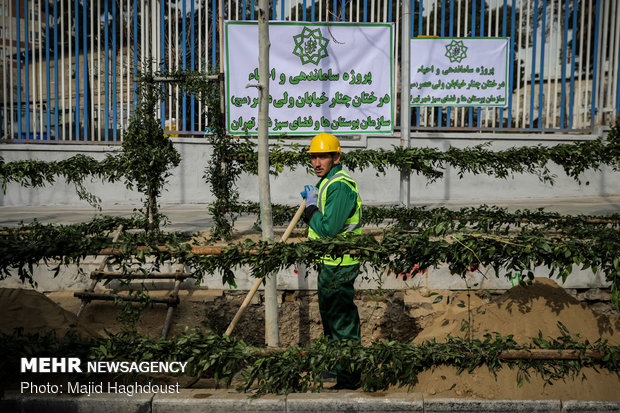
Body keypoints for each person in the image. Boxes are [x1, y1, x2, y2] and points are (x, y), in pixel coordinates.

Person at [300, 132, 363, 390]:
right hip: (330, 264)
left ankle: (349, 379)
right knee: (330, 318)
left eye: (323, 156)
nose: (317, 162)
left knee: (341, 321)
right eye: (314, 157)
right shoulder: (328, 182)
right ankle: (337, 370)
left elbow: (329, 230)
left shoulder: (340, 185)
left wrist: (311, 210)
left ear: (337, 157)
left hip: (340, 265)